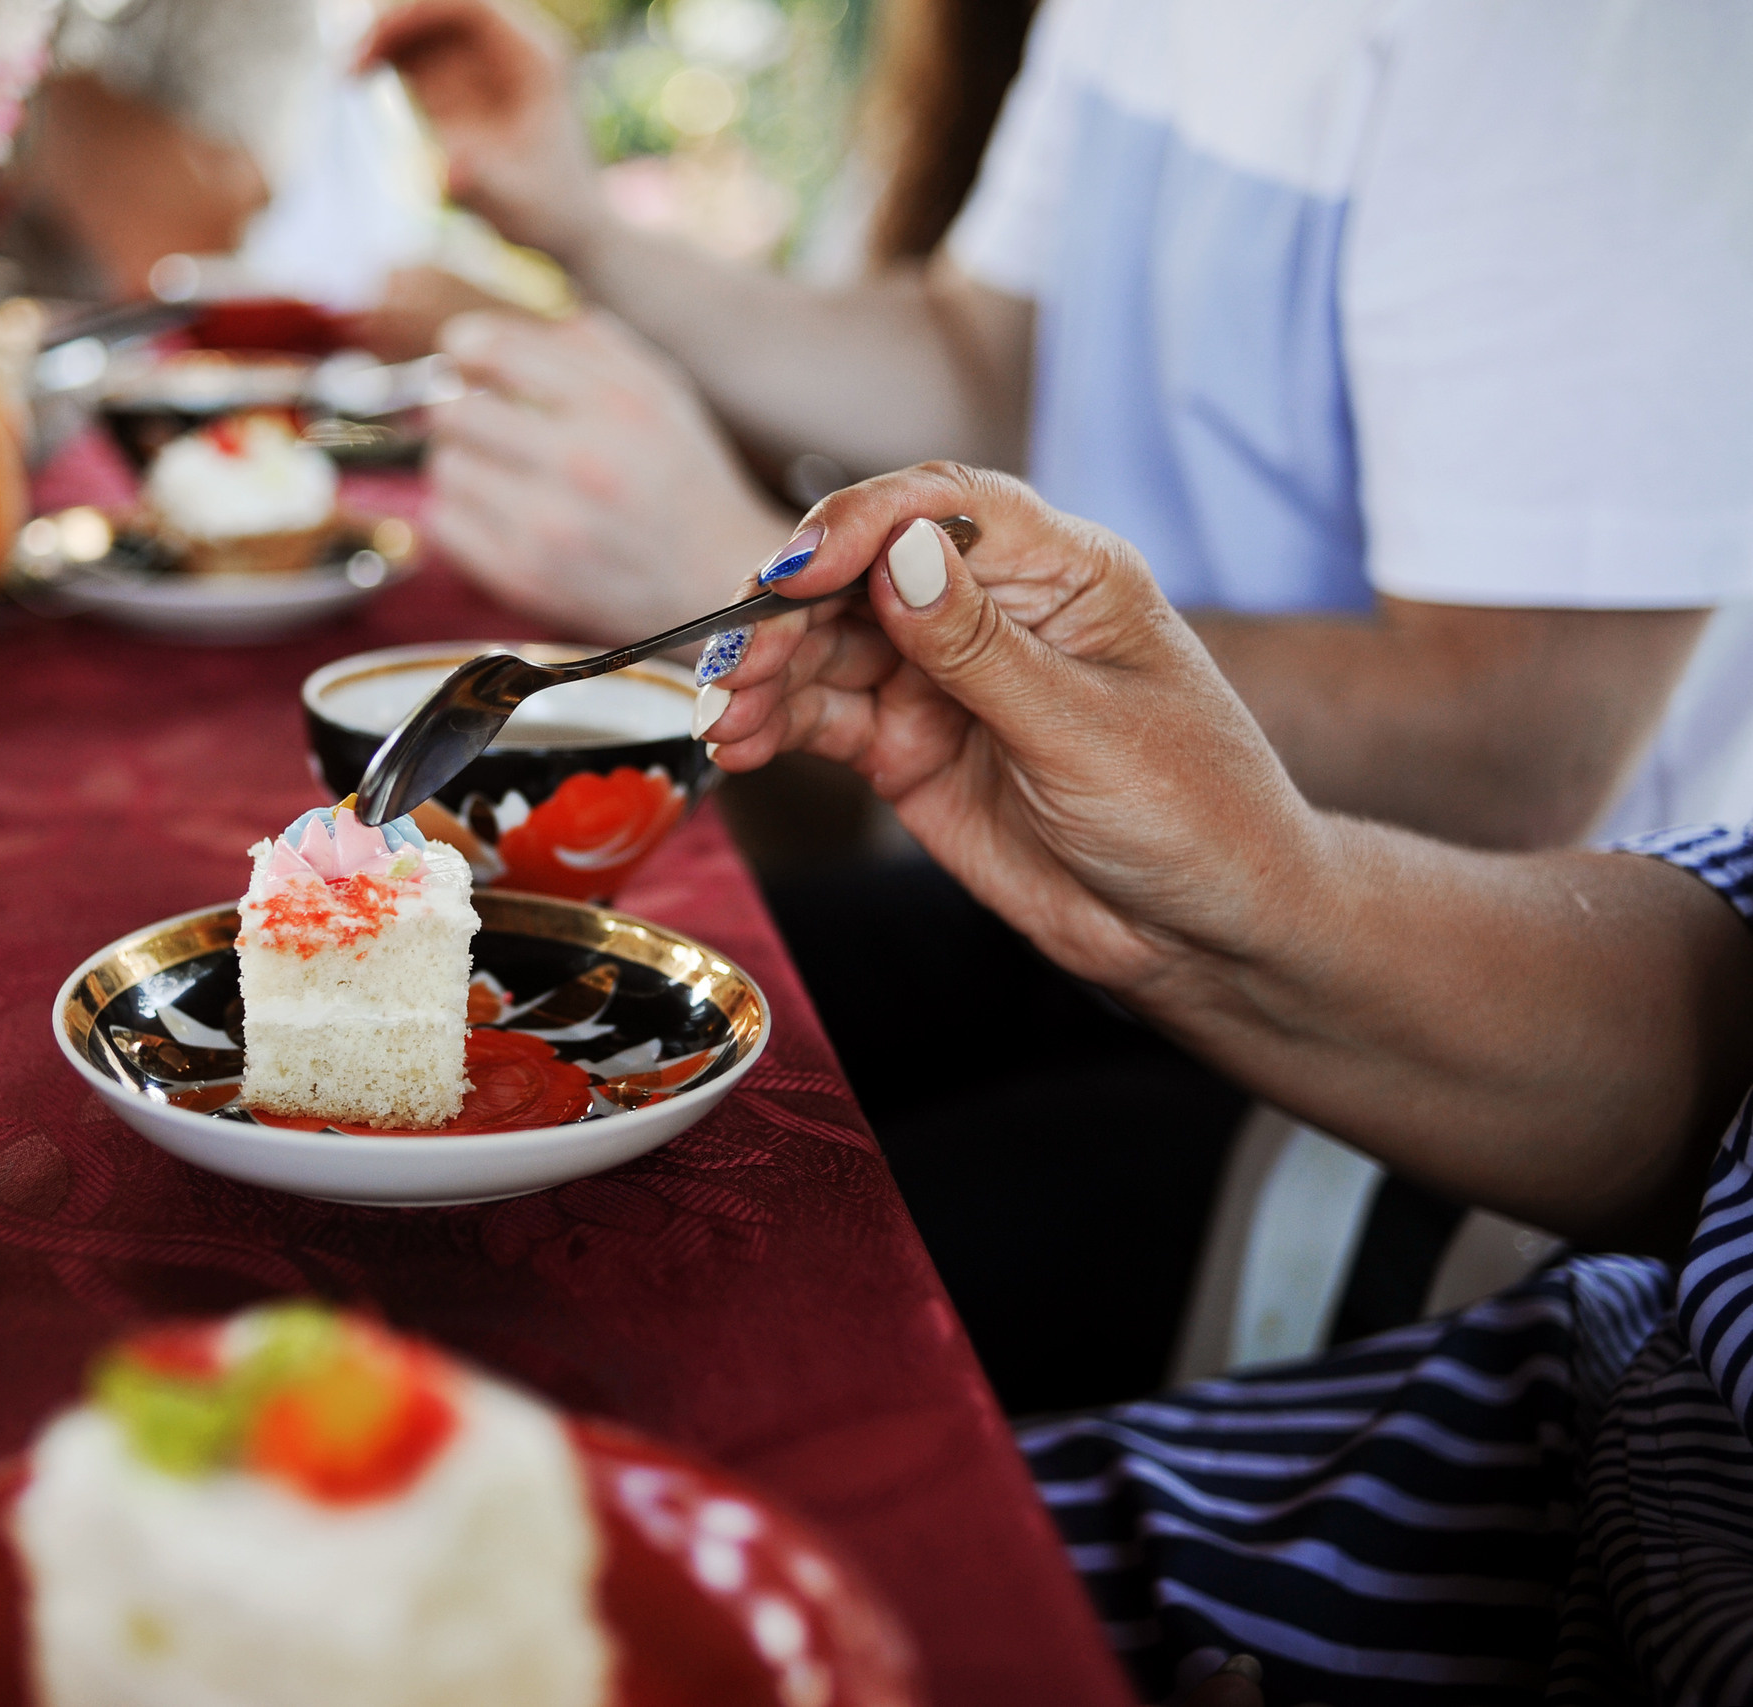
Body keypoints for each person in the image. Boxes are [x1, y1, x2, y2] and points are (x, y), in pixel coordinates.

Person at [365, 0, 1753, 1409]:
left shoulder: (1588, 47)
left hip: (1413, 1039)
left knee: (610, 1328)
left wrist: (734, 552)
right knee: (498, 1082)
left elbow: (1511, 752)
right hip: (1073, 891)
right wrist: (589, 234)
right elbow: (984, 354)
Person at [698, 462, 1753, 1705]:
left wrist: (699, 534)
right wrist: (1267, 895)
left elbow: (1513, 736)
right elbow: (1710, 1077)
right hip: (1451, 1445)